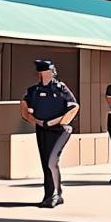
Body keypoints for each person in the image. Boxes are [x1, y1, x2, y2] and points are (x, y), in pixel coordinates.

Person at [19, 59, 79, 208]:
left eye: (47, 72)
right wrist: (36, 121)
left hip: (59, 130)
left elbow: (74, 107)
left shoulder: (60, 88)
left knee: (52, 161)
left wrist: (57, 121)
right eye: (41, 72)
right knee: (46, 163)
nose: (43, 75)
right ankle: (49, 194)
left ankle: (56, 194)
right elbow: (24, 107)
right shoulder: (34, 91)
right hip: (42, 129)